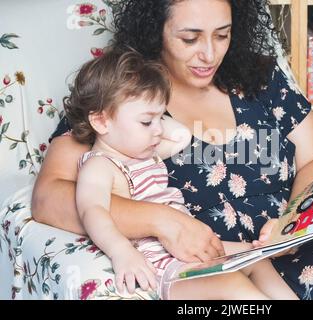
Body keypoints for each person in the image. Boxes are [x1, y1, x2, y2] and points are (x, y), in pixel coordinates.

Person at [32, 0, 313, 300]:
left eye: (222, 34)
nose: (209, 54)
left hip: (299, 251)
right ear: (156, 32)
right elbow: (50, 196)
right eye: (190, 38)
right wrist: (160, 220)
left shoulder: (261, 77)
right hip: (217, 267)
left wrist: (290, 224)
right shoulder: (129, 96)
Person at [63, 48, 298, 300]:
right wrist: (121, 251)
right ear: (101, 122)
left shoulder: (143, 152)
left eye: (161, 118)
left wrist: (152, 116)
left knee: (256, 260)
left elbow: (181, 136)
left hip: (186, 250)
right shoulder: (99, 166)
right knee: (231, 283)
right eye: (146, 122)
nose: (158, 130)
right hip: (165, 265)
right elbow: (92, 212)